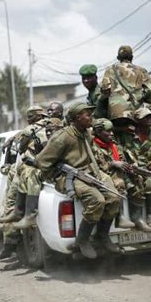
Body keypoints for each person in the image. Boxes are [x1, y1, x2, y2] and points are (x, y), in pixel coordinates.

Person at [35, 102, 121, 259]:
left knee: (114, 198)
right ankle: (82, 240)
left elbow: (91, 155)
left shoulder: (86, 133)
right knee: (97, 201)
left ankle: (102, 235)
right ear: (76, 118)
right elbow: (41, 162)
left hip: (92, 172)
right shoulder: (62, 137)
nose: (91, 117)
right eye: (87, 115)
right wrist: (58, 175)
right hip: (72, 176)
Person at [91, 118, 135, 228]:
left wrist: (129, 166)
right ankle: (120, 217)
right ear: (98, 132)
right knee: (119, 182)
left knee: (139, 181)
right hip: (100, 176)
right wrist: (113, 164)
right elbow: (96, 167)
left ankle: (138, 218)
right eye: (108, 131)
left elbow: (122, 160)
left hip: (117, 173)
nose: (111, 133)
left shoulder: (113, 145)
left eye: (112, 130)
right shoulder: (92, 147)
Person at [101, 45, 151, 121]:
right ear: (132, 57)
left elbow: (105, 88)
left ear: (118, 58)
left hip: (117, 113)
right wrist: (140, 97)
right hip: (137, 113)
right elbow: (150, 89)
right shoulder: (141, 70)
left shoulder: (110, 70)